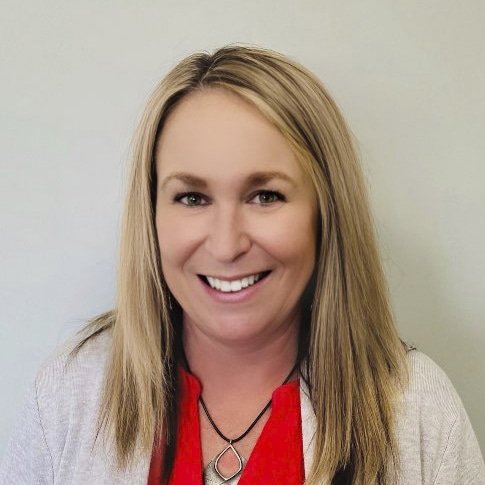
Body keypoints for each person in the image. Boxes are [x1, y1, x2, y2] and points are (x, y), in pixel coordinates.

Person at [1, 45, 484, 485]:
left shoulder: (416, 411)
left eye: (265, 195)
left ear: (325, 212)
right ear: (150, 214)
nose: (227, 245)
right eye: (192, 197)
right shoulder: (68, 396)